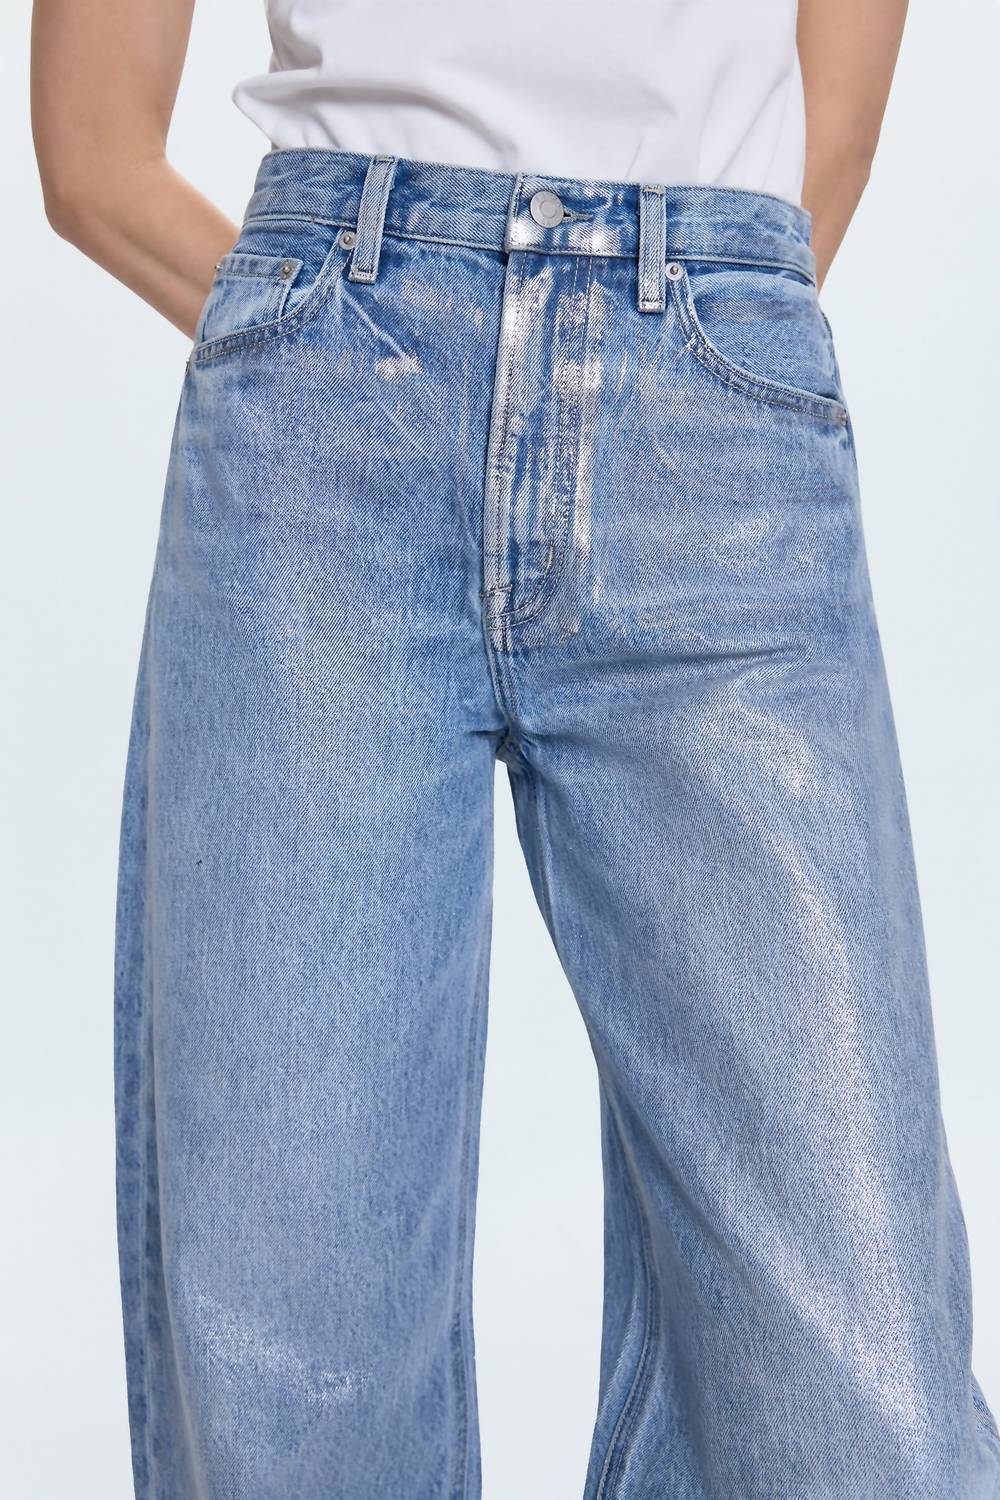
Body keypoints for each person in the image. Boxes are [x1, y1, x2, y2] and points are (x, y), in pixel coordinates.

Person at [30, 2, 998, 1497]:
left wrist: (684, 347)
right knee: (297, 1381)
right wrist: (343, 354)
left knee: (861, 1411)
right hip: (326, 429)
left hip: (713, 411)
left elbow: (838, 121)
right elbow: (92, 153)